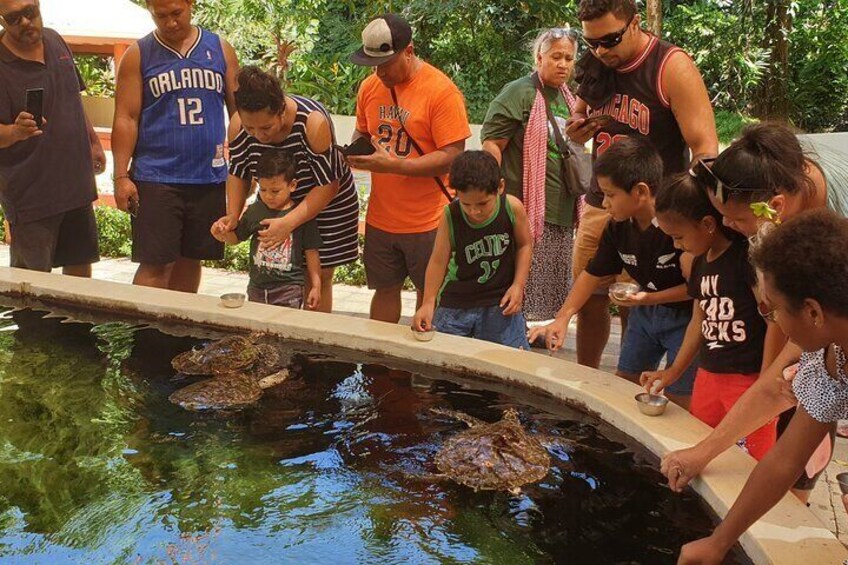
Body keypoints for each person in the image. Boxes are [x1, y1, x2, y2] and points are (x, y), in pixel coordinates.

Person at [659, 122, 844, 502]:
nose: (726, 226)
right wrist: (705, 451)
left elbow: (783, 371)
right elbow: (778, 375)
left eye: (738, 220)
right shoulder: (774, 164)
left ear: (774, 206)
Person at [677, 209, 848, 564]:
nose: (774, 322)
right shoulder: (828, 357)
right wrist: (719, 541)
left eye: (774, 311)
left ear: (814, 313)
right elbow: (785, 458)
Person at [567, 0, 718, 368]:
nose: (601, 51)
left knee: (639, 299)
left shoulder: (670, 66)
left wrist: (686, 210)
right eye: (591, 43)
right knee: (591, 295)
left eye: (610, 40)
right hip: (601, 201)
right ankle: (588, 381)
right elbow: (579, 110)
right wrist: (576, 125)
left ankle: (636, 379)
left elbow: (705, 146)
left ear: (635, 23)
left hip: (655, 208)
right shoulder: (597, 60)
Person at [529, 137, 696, 407]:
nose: (604, 203)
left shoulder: (678, 225)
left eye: (610, 194)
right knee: (624, 382)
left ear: (640, 192)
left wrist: (649, 299)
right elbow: (593, 273)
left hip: (686, 320)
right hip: (644, 317)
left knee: (680, 397)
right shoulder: (617, 227)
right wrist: (562, 317)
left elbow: (698, 289)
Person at [347, 13, 471, 324]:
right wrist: (355, 152)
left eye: (386, 63)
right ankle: (379, 368)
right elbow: (363, 131)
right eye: (373, 64)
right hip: (381, 216)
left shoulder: (441, 92)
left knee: (428, 295)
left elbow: (453, 155)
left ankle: (424, 368)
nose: (379, 72)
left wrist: (395, 166)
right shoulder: (369, 88)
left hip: (429, 220)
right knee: (384, 290)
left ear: (409, 51)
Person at [642, 174, 777, 458]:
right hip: (709, 375)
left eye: (679, 237)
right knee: (702, 444)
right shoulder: (700, 263)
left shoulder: (746, 258)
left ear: (707, 224)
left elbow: (772, 320)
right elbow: (698, 320)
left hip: (747, 377)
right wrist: (673, 371)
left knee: (753, 457)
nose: (677, 246)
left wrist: (766, 381)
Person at [112, 0, 240, 292]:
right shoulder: (138, 55)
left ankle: (180, 336)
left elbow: (239, 114)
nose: (170, 22)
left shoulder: (220, 49)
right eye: (161, 16)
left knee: (192, 259)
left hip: (208, 176)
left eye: (176, 14)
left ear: (190, 4)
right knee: (154, 264)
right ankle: (143, 334)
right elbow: (126, 118)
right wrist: (121, 176)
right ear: (150, 10)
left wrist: (247, 167)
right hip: (156, 178)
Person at [221, 66, 359, 313]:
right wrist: (233, 214)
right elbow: (238, 172)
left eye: (266, 128)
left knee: (316, 276)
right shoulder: (238, 127)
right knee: (281, 274)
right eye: (250, 128)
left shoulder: (312, 123)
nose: (258, 135)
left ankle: (312, 345)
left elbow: (328, 183)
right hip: (275, 197)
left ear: (282, 110)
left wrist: (290, 221)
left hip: (325, 201)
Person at [481, 27, 583, 324]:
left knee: (550, 280)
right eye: (556, 57)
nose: (563, 64)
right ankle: (512, 330)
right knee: (521, 275)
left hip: (561, 207)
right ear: (539, 57)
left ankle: (535, 331)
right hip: (524, 206)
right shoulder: (520, 92)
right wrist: (493, 193)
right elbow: (492, 143)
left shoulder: (570, 97)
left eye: (569, 58)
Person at [0, 0, 104, 275]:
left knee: (80, 277)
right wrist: (14, 131)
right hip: (31, 195)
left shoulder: (55, 40)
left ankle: (79, 322)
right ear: (2, 20)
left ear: (38, 5)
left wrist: (93, 142)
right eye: (13, 18)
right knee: (32, 287)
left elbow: (74, 97)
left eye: (29, 12)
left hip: (75, 185)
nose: (24, 22)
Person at [412, 151, 532, 349]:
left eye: (482, 203)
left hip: (500, 302)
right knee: (444, 360)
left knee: (510, 361)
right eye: (466, 204)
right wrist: (428, 302)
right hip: (457, 302)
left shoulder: (512, 208)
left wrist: (518, 285)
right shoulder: (451, 214)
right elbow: (438, 260)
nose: (474, 211)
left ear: (500, 187)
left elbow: (524, 245)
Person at [212, 149, 321, 310]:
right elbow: (236, 238)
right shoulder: (255, 211)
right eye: (263, 190)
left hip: (289, 288)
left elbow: (312, 253)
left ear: (292, 185)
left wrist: (316, 286)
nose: (269, 196)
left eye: (275, 191)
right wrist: (223, 234)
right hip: (257, 287)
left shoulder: (300, 216)